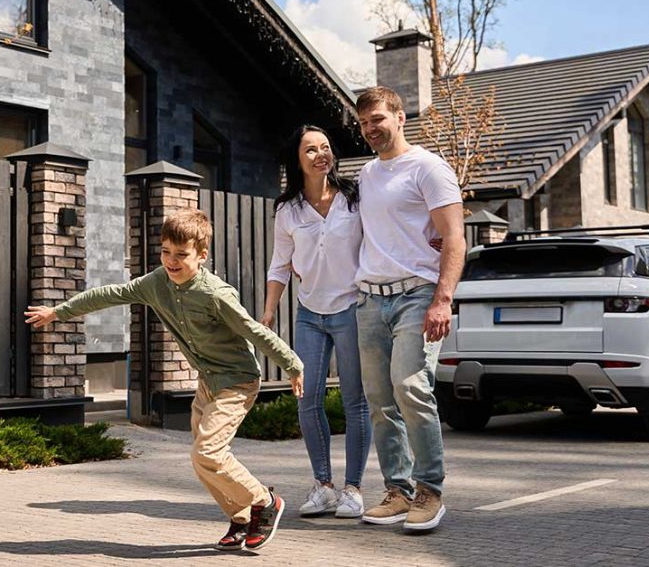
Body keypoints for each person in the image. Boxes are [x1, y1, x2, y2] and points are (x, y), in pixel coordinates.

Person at [25, 208, 305, 552]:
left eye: (181, 254)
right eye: (166, 252)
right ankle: (241, 516)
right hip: (208, 381)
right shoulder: (156, 283)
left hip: (237, 381)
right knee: (202, 460)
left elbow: (252, 330)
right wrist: (59, 311)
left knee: (208, 452)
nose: (172, 261)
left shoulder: (216, 294)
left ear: (201, 255)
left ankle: (265, 501)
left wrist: (292, 364)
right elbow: (111, 293)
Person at [352, 86, 465, 532]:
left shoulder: (429, 168)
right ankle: (397, 491)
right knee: (380, 401)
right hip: (369, 300)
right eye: (363, 123)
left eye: (377, 119)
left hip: (417, 295)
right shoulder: (366, 174)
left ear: (400, 118)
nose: (370, 129)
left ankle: (429, 490)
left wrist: (443, 299)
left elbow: (453, 237)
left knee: (411, 387)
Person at [262, 124, 371, 520]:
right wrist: (269, 312)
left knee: (355, 401)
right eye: (311, 149)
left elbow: (381, 238)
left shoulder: (354, 198)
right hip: (309, 313)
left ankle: (353, 489)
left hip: (352, 309)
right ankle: (323, 487)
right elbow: (280, 265)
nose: (321, 154)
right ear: (297, 159)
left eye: (325, 147)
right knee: (307, 400)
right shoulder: (288, 210)